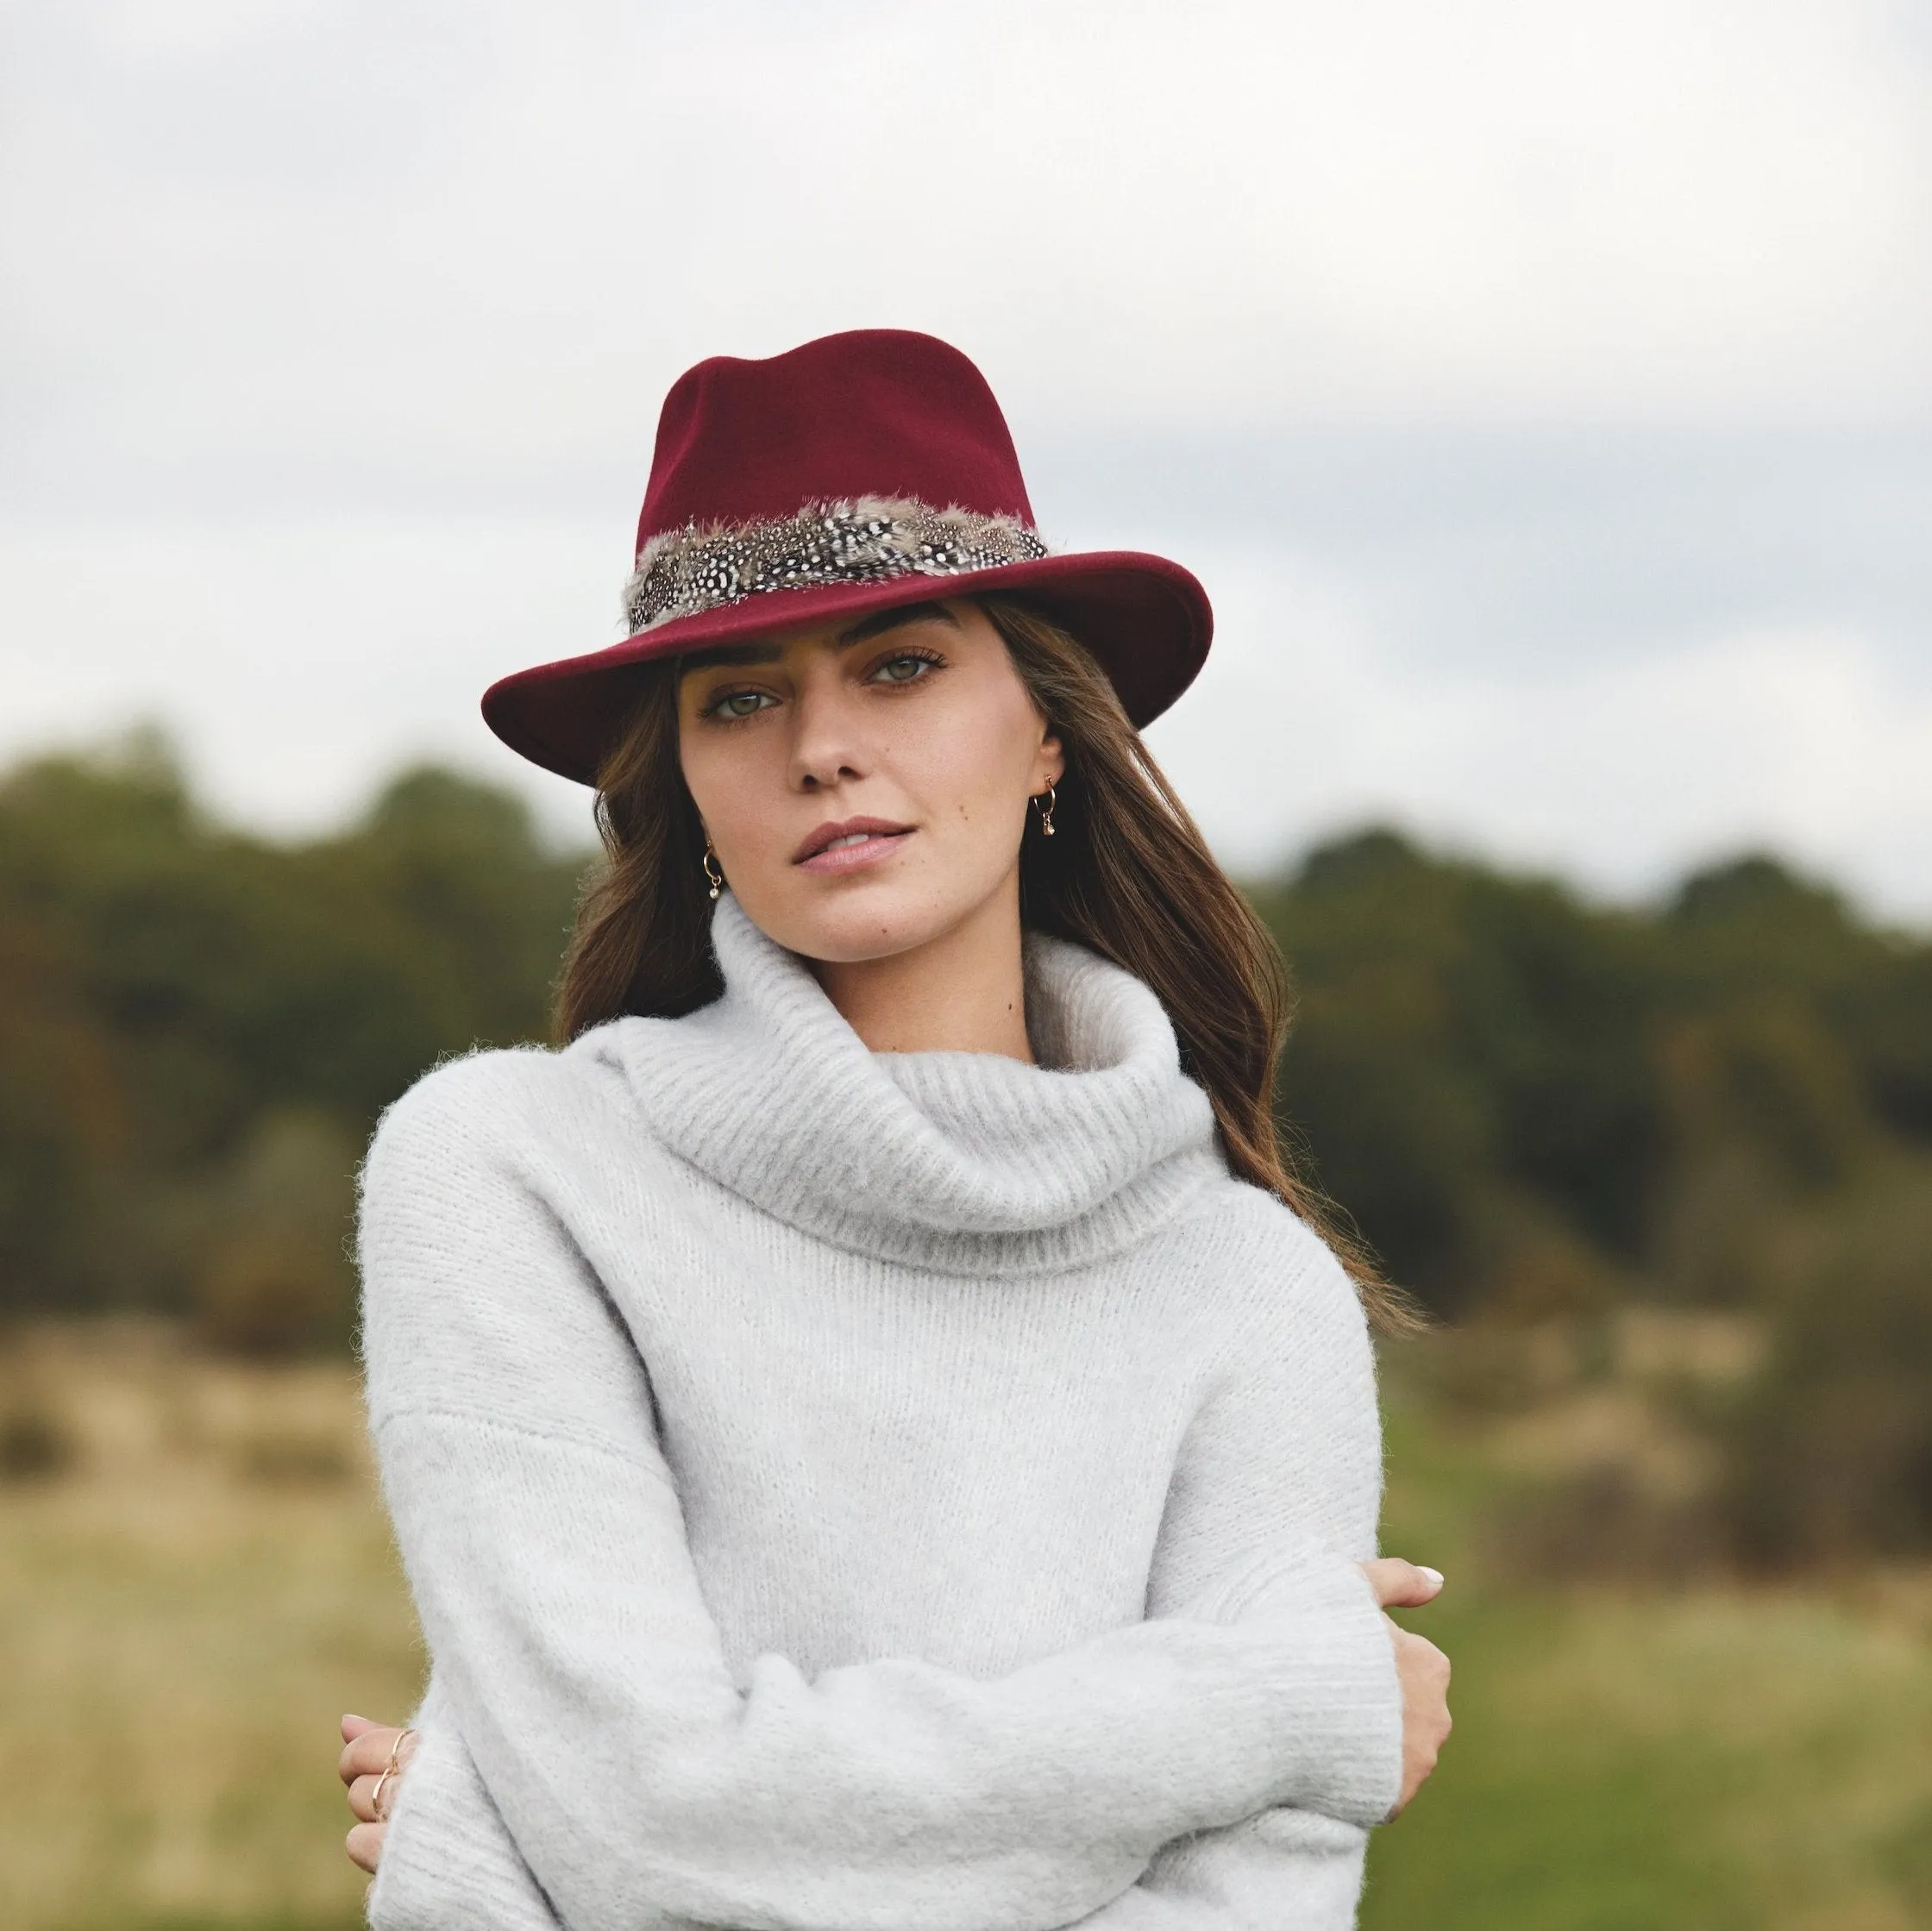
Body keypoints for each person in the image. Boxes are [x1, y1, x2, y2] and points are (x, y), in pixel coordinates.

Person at [337, 328, 1452, 1929]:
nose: (821, 747)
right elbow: (653, 1821)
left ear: (1053, 728)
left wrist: (492, 1861)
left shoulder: (1250, 1292)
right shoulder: (510, 1172)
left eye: (903, 664)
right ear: (692, 784)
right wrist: (1265, 1704)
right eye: (740, 699)